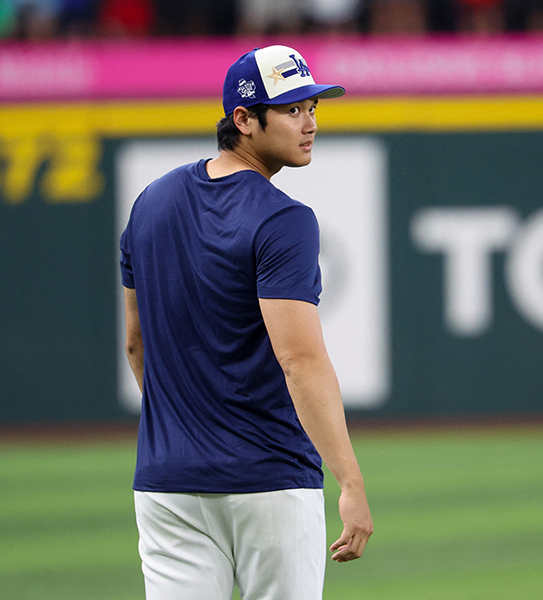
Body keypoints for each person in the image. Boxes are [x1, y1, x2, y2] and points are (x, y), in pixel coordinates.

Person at [119, 44, 373, 600]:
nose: (309, 124)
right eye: (291, 110)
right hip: (270, 478)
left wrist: (187, 427)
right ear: (243, 119)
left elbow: (137, 347)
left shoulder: (149, 204)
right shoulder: (284, 219)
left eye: (312, 107)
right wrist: (350, 481)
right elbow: (300, 360)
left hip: (168, 483)